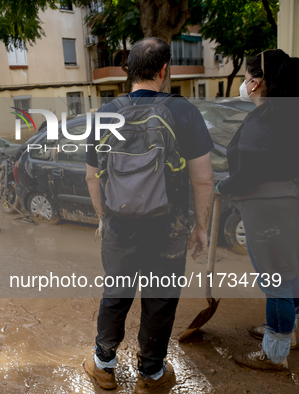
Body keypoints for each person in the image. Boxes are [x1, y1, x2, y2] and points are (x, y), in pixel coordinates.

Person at [83, 38, 215, 392]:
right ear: (163, 71)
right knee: (160, 299)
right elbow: (204, 180)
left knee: (116, 292)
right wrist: (201, 228)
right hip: (168, 227)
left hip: (119, 224)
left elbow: (91, 176)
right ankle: (151, 374)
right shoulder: (184, 112)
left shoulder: (105, 114)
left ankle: (103, 366)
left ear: (128, 70)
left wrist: (103, 218)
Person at [215, 49, 299, 372]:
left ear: (259, 82)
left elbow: (250, 174)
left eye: (248, 76)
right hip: (288, 205)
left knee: (276, 279)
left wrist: (225, 186)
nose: (244, 82)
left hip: (269, 212)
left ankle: (276, 352)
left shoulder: (265, 120)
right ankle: (289, 332)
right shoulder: (286, 112)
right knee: (291, 274)